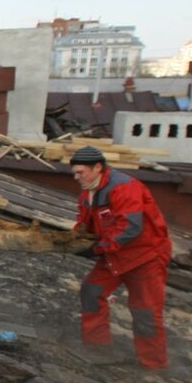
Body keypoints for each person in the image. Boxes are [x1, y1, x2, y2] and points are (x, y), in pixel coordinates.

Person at [70, 146, 173, 369]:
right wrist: (74, 241)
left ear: (97, 168)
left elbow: (130, 228)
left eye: (80, 172)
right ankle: (97, 349)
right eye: (75, 173)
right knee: (91, 291)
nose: (76, 177)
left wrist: (97, 249)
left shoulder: (125, 188)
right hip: (115, 254)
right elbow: (85, 225)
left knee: (144, 310)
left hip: (145, 256)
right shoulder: (88, 193)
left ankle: (153, 365)